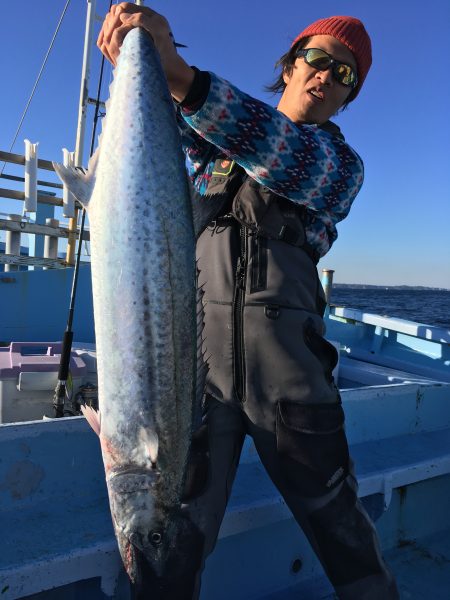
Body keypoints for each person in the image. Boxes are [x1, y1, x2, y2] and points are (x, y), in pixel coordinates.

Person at [98, 4, 399, 599]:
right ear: (289, 66)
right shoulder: (207, 156)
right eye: (317, 59)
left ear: (348, 98)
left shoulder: (338, 168)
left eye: (345, 75)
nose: (326, 77)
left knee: (342, 533)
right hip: (194, 383)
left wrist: (179, 73)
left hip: (291, 386)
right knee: (171, 545)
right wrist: (139, 49)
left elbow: (274, 146)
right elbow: (168, 128)